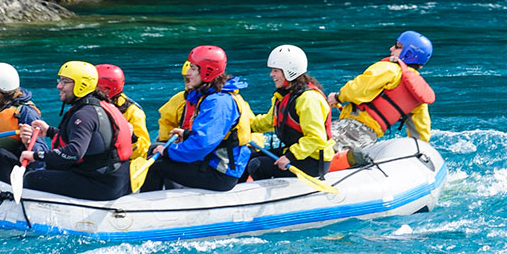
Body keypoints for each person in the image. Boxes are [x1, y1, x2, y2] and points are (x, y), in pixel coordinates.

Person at [12, 61, 131, 201]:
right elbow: (91, 140)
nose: (59, 86)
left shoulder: (84, 114)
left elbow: (74, 152)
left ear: (82, 85)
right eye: (60, 81)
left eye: (65, 82)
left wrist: (36, 155)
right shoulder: (98, 105)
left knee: (32, 178)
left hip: (101, 185)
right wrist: (50, 131)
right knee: (52, 165)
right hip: (115, 180)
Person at [141, 45, 254, 192]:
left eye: (193, 69)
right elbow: (210, 136)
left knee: (156, 165)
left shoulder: (218, 102)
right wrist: (186, 134)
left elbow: (202, 144)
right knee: (155, 150)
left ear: (207, 71)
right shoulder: (214, 97)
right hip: (212, 164)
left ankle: (144, 204)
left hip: (219, 174)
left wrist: (169, 151)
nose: (188, 73)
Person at [330, 30, 436, 165]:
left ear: (408, 53)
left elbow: (358, 90)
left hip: (348, 128)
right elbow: (421, 133)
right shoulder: (418, 93)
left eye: (397, 45)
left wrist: (337, 97)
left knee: (313, 143)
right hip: (369, 138)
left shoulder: (390, 69)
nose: (391, 48)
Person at [245, 44, 333, 180]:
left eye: (275, 71)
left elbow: (316, 138)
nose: (271, 74)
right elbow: (269, 121)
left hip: (313, 160)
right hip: (297, 153)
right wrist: (245, 127)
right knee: (248, 158)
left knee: (257, 165)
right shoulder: (284, 95)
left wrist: (290, 157)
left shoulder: (308, 99)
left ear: (289, 71)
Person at [96, 64, 152, 154]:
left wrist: (132, 138)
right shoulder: (84, 102)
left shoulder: (133, 112)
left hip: (119, 157)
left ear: (106, 89)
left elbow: (143, 150)